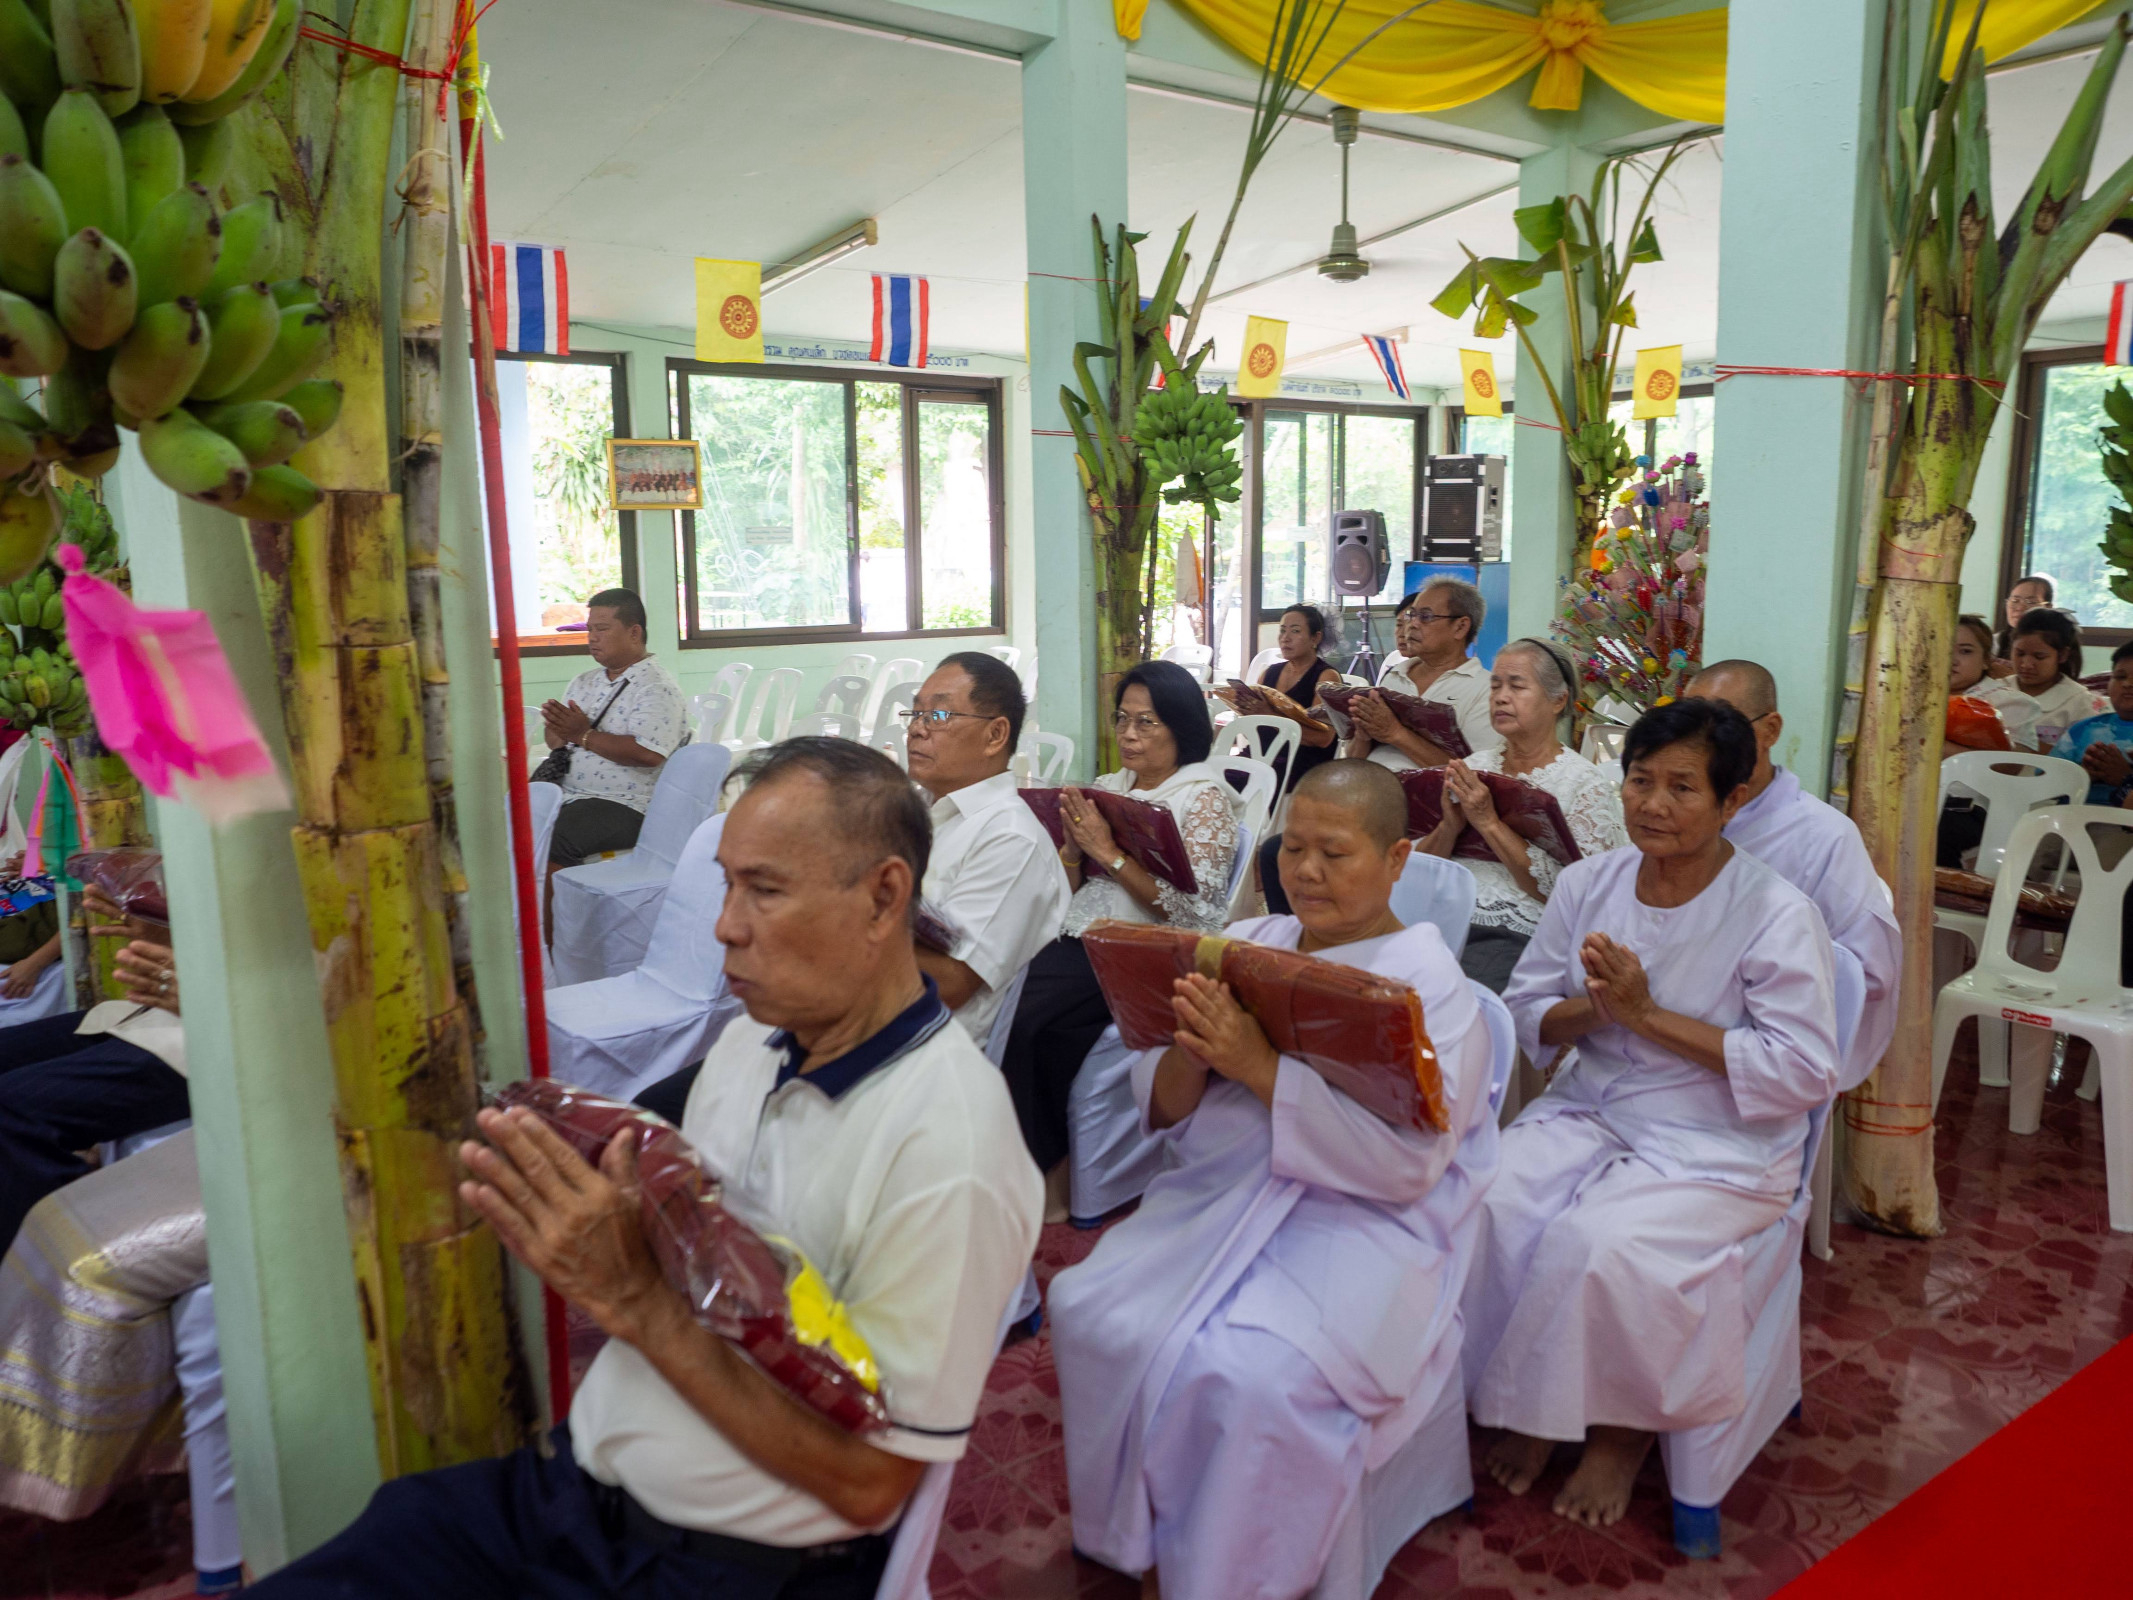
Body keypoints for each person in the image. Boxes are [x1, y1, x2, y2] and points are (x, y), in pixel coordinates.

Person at [249, 738, 1042, 1600]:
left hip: (714, 1563)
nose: (724, 925)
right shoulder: (750, 1045)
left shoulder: (951, 1148)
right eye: (727, 884)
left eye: (764, 890)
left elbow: (870, 1484)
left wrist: (632, 1298)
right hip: (570, 1492)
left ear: (884, 897)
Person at [1049, 761, 1498, 1600]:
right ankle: (1138, 1535)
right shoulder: (1247, 944)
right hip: (1219, 1192)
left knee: (1253, 1374)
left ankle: (1231, 1574)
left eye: (1335, 852)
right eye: (1293, 848)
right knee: (1089, 1309)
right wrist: (1193, 1051)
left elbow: (1409, 1164)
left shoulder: (1429, 987)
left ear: (1396, 858)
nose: (1307, 872)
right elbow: (1165, 1110)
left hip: (1359, 1222)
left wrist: (1258, 1067)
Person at [1465, 699, 1839, 1530]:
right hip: (1593, 1107)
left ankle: (1620, 1433)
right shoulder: (1586, 883)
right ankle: (1527, 1400)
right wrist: (1596, 1012)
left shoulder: (1775, 912)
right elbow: (1528, 1009)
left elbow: (1803, 1071)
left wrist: (1644, 1016)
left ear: (1731, 800)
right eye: (1640, 781)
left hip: (1721, 1139)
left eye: (1681, 787)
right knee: (1490, 1199)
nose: (1654, 805)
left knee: (1601, 1242)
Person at [998, 660, 1238, 1176]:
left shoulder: (1203, 799)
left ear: (1182, 727)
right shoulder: (1112, 786)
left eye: (1146, 722)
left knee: (1026, 1019)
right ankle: (1012, 1146)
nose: (1129, 734)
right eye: (1123, 719)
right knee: (997, 989)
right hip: (1079, 933)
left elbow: (1193, 913)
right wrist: (1071, 851)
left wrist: (1108, 854)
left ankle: (1041, 1167)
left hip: (1141, 950)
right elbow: (1071, 892)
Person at [1684, 661, 1901, 1087]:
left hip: (1762, 1043)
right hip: (1669, 1021)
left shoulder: (1823, 836)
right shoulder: (1678, 815)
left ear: (1770, 730)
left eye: (1723, 725)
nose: (1703, 744)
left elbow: (1868, 973)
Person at [1415, 638, 1628, 993]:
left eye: (1516, 686)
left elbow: (1581, 898)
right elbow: (1419, 871)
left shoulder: (1583, 783)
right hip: (1440, 918)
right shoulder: (1474, 767)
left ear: (1558, 700)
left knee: (1448, 997)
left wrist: (1489, 823)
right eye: (1495, 685)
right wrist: (1449, 828)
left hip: (1511, 932)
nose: (1500, 697)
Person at [0, 882, 187, 1254]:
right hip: (146, 1015)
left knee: (10, 1108)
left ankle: (50, 1262)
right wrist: (163, 937)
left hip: (201, 1036)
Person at [901, 651, 1071, 1049]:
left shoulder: (1010, 838)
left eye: (938, 715)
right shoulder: (917, 811)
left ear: (995, 735)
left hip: (930, 1051)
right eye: (915, 713)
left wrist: (843, 929)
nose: (917, 730)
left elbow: (950, 983)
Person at [543, 588, 688, 870]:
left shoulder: (656, 688)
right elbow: (555, 743)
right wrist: (559, 727)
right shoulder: (583, 681)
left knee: (553, 838)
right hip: (569, 794)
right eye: (589, 630)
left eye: (602, 629)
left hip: (628, 804)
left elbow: (648, 753)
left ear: (634, 633)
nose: (592, 637)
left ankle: (559, 901)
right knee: (513, 821)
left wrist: (582, 735)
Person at [1344, 579, 1501, 772]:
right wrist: (1363, 735)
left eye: (1425, 617)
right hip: (1366, 783)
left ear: (1460, 627)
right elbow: (1351, 762)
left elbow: (1472, 775)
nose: (1412, 625)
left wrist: (1395, 733)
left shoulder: (1485, 690)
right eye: (1412, 615)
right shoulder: (1395, 675)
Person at [1219, 603, 1338, 794]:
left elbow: (1323, 738)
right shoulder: (1268, 673)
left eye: (1295, 631)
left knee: (1244, 786)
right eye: (1282, 631)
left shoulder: (1326, 677)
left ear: (1315, 638)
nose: (1285, 638)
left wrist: (1268, 714)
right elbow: (1255, 732)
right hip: (1261, 753)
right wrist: (1247, 711)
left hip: (1300, 761)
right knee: (1215, 777)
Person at [2007, 606, 2106, 753]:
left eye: (2039, 656)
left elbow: (2083, 757)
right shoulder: (1994, 691)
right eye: (2019, 654)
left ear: (2062, 655)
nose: (2026, 664)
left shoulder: (2080, 703)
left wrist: (2024, 744)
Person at [2050, 641, 2133, 806]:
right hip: (2073, 816)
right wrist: (2083, 774)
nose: (2128, 684)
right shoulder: (2082, 730)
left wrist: (2125, 777)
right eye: (2120, 677)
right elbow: (2044, 779)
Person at [1946, 613, 2038, 754]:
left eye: (1965, 651)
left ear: (1986, 660)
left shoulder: (2011, 703)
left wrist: (1930, 745)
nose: (1952, 660)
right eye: (1942, 650)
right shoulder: (1914, 698)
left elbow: (2011, 763)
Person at [1992, 573, 2055, 664]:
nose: (2020, 608)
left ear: (2048, 607)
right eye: (2015, 601)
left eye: (2031, 602)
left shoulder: (2055, 644)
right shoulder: (1994, 642)